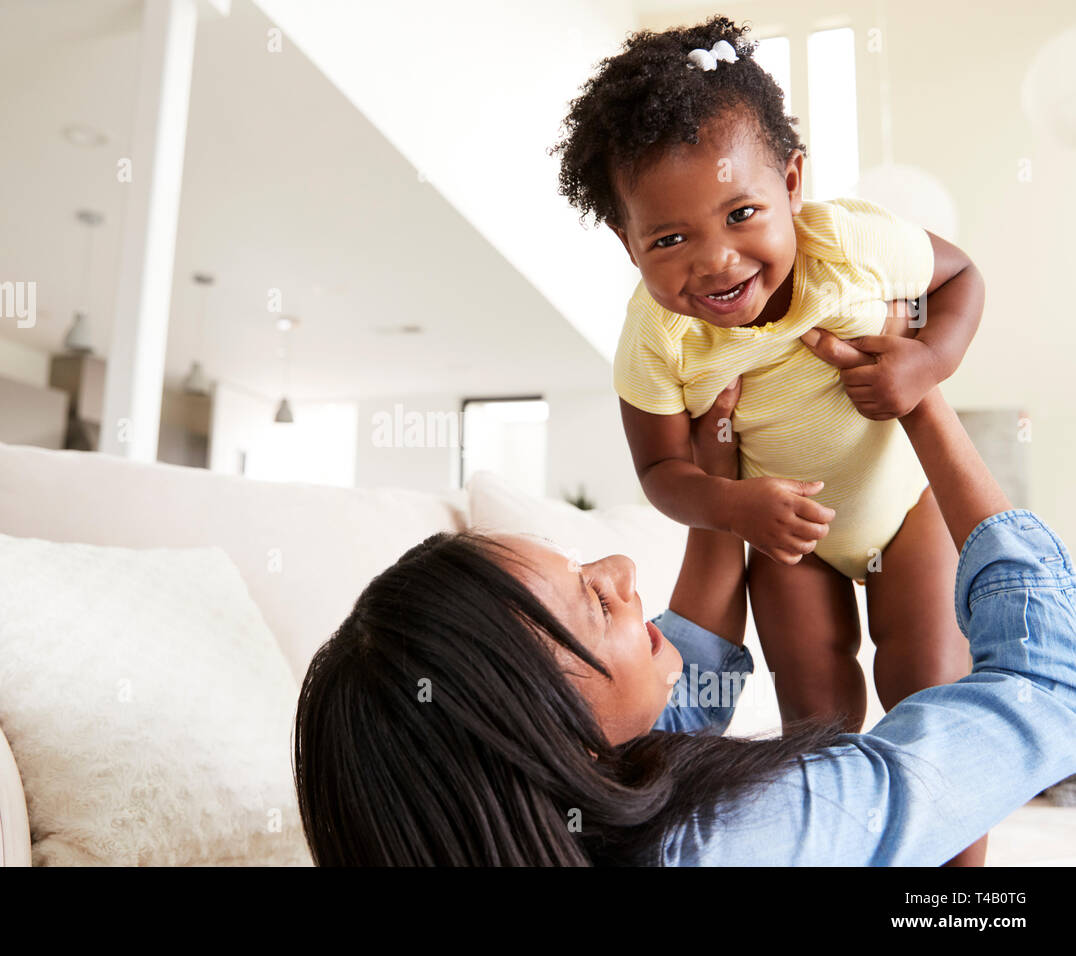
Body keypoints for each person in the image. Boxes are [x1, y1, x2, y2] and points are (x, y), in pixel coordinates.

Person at [292, 335, 1076, 865]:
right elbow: (1050, 688)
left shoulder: (552, 824)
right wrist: (925, 406)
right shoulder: (746, 833)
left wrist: (720, 491)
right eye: (595, 604)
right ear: (540, 742)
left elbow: (682, 681)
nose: (624, 569)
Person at [549, 15, 987, 862]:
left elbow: (963, 276)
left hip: (903, 508)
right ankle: (837, 841)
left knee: (925, 687)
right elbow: (662, 470)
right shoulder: (655, 338)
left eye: (742, 213)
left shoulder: (850, 243)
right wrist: (737, 503)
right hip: (792, 538)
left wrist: (927, 360)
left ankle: (958, 886)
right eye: (669, 239)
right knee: (817, 710)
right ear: (626, 241)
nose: (714, 262)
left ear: (792, 182)